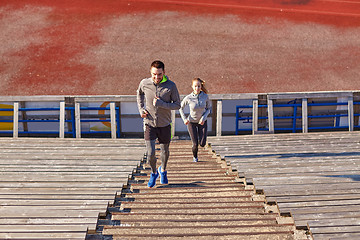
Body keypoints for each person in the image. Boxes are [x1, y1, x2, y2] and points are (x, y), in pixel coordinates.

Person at [137, 60, 181, 188]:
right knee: (150, 153)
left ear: (164, 72)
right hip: (149, 123)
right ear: (151, 72)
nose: (156, 77)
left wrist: (162, 104)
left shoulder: (171, 86)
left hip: (165, 124)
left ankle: (163, 170)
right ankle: (154, 173)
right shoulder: (144, 83)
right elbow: (139, 94)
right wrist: (141, 109)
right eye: (154, 74)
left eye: (159, 74)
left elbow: (177, 104)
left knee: (165, 151)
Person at [179, 78, 211, 162]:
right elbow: (180, 108)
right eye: (195, 86)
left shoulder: (205, 96)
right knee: (195, 143)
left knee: (203, 143)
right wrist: (184, 119)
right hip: (192, 122)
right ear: (192, 87)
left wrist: (203, 118)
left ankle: (201, 143)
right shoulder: (188, 98)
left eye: (199, 86)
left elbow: (209, 109)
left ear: (201, 86)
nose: (197, 88)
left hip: (202, 121)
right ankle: (195, 157)